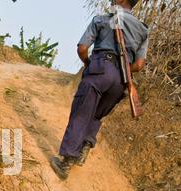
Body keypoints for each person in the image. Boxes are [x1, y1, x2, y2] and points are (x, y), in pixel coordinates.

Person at [50, 0, 148, 180]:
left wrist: (88, 64)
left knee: (82, 112)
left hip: (100, 68)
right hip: (121, 80)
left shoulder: (102, 19)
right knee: (96, 115)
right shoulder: (142, 30)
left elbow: (82, 48)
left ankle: (66, 162)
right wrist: (124, 70)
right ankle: (85, 145)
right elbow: (139, 65)